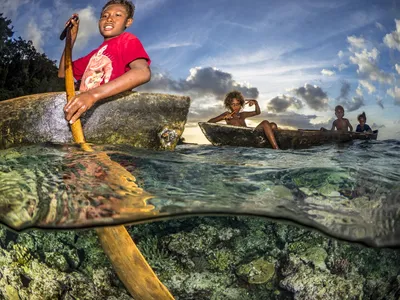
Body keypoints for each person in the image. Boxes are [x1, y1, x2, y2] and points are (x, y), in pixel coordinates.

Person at [58, 0, 151, 125]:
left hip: (112, 118)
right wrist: (72, 38)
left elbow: (142, 72)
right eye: (105, 16)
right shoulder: (94, 55)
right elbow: (63, 73)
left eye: (117, 15)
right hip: (86, 118)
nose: (109, 19)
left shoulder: (127, 40)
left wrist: (92, 95)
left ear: (128, 22)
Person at [207, 90, 279, 149]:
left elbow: (257, 112)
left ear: (241, 104)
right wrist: (223, 117)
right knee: (265, 122)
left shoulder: (242, 114)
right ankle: (276, 149)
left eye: (237, 104)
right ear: (229, 105)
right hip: (239, 138)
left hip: (250, 136)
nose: (235, 107)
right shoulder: (226, 114)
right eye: (233, 104)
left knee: (273, 125)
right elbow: (209, 122)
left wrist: (256, 103)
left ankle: (273, 144)